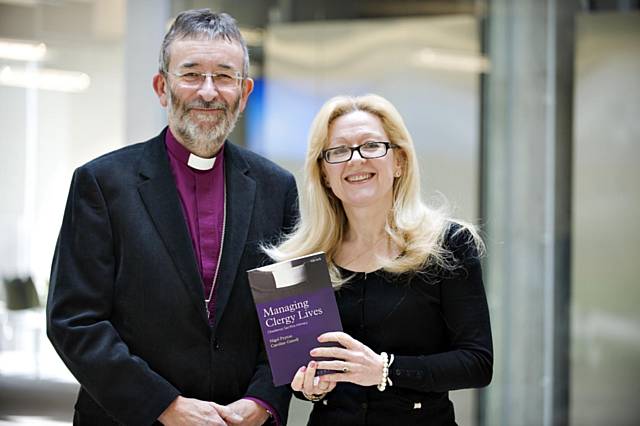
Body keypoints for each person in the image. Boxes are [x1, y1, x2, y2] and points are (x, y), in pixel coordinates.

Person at [46, 9, 297, 426]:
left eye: (224, 75)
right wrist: (164, 406)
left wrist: (262, 402)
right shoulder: (102, 183)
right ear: (162, 87)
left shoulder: (278, 187)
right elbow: (74, 321)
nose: (208, 91)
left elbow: (291, 317)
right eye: (191, 73)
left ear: (245, 91)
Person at [264, 94, 493, 425]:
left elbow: (476, 363)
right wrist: (311, 387)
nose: (355, 160)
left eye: (372, 146)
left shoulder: (447, 245)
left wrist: (385, 369)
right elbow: (303, 376)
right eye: (339, 151)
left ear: (399, 161)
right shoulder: (301, 260)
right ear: (325, 174)